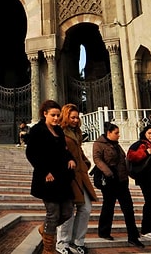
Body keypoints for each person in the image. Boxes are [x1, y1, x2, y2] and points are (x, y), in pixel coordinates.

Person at [26, 100, 77, 254]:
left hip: (62, 177)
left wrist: (70, 158)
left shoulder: (59, 131)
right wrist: (45, 172)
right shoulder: (37, 130)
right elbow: (31, 153)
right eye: (53, 115)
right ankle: (48, 250)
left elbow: (63, 150)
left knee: (68, 211)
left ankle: (44, 228)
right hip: (47, 178)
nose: (56, 118)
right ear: (45, 114)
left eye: (58, 115)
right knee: (53, 212)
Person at [92, 122, 144, 248]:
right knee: (108, 206)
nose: (118, 135)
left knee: (128, 209)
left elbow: (123, 161)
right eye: (116, 133)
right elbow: (97, 159)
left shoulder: (117, 146)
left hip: (121, 180)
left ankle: (133, 236)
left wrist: (130, 174)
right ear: (108, 133)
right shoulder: (99, 144)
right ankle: (104, 231)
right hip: (109, 180)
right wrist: (108, 172)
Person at [56, 104, 97, 254]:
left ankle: (78, 241)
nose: (75, 120)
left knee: (85, 208)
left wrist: (85, 163)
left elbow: (78, 150)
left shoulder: (77, 132)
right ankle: (62, 243)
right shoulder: (59, 132)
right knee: (67, 210)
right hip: (67, 176)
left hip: (81, 175)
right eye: (72, 117)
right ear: (66, 117)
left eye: (77, 117)